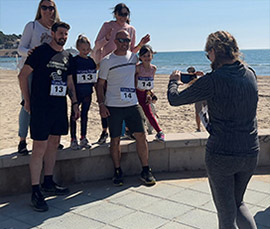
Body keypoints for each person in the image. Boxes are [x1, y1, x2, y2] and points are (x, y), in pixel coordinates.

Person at [168, 31, 259, 229]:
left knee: (226, 214)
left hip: (222, 154)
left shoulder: (212, 80)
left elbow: (174, 100)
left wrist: (173, 81)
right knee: (239, 202)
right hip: (250, 151)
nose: (208, 57)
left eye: (207, 54)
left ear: (213, 51)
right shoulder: (250, 73)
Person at [18, 22, 80, 212]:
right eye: (60, 33)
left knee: (54, 144)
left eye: (66, 34)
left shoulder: (67, 56)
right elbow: (22, 76)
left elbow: (70, 82)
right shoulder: (40, 52)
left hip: (59, 107)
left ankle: (48, 181)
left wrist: (75, 103)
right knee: (39, 147)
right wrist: (27, 101)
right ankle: (35, 190)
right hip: (41, 107)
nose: (63, 36)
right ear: (52, 33)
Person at [97, 30, 156, 186]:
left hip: (133, 105)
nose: (125, 43)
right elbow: (100, 84)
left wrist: (149, 92)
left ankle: (145, 170)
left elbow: (144, 75)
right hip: (113, 106)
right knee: (115, 140)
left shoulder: (133, 58)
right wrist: (101, 104)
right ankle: (117, 171)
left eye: (127, 40)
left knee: (142, 136)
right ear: (115, 41)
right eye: (122, 40)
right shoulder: (107, 61)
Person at [92, 3, 150, 144]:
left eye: (126, 14)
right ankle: (105, 131)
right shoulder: (107, 25)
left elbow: (132, 51)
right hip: (108, 65)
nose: (123, 17)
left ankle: (129, 130)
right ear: (115, 14)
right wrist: (107, 38)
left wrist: (142, 43)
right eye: (121, 14)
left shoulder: (131, 29)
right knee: (106, 100)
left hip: (125, 68)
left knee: (127, 99)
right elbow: (97, 45)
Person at [17, 0, 63, 155]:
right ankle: (22, 140)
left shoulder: (56, 27)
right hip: (30, 70)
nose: (48, 11)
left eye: (51, 8)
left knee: (51, 104)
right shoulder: (32, 26)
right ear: (40, 9)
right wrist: (29, 52)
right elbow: (20, 48)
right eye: (44, 7)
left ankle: (53, 138)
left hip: (48, 73)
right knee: (27, 104)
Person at [70, 35, 97, 150]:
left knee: (85, 115)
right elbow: (71, 78)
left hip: (87, 92)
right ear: (78, 48)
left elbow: (93, 78)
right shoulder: (74, 61)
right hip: (76, 93)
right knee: (74, 115)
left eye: (87, 50)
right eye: (83, 50)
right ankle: (73, 139)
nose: (85, 52)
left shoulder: (91, 61)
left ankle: (83, 137)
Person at [136, 45, 164, 141]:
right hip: (135, 94)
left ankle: (160, 132)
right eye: (144, 56)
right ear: (140, 57)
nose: (147, 58)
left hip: (145, 95)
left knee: (149, 114)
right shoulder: (138, 68)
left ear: (152, 56)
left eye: (148, 55)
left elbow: (150, 84)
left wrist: (149, 95)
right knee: (136, 115)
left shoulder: (153, 69)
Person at [186, 66, 207, 132]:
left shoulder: (198, 78)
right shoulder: (193, 79)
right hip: (201, 97)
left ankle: (199, 128)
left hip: (201, 97)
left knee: (200, 113)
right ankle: (198, 128)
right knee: (199, 113)